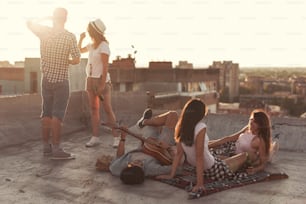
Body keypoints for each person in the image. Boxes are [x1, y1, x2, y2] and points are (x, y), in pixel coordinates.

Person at [157, 98, 252, 194]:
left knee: (221, 156)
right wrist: (200, 184)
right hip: (213, 169)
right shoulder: (200, 127)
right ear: (199, 114)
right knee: (245, 155)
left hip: (199, 167)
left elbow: (179, 154)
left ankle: (225, 159)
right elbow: (199, 156)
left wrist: (171, 175)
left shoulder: (181, 127)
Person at [27, 8, 81, 160]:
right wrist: (68, 60)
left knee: (46, 113)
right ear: (66, 19)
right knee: (57, 114)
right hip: (61, 80)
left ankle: (46, 147)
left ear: (53, 17)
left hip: (46, 80)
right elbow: (77, 59)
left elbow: (29, 23)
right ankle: (57, 150)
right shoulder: (69, 36)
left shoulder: (44, 31)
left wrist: (44, 16)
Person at [100, 109, 182, 184]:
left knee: (154, 125)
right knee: (172, 115)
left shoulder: (115, 169)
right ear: (142, 172)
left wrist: (123, 138)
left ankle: (143, 122)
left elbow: (119, 157)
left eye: (131, 165)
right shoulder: (151, 169)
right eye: (140, 165)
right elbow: (177, 168)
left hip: (146, 144)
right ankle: (144, 122)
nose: (136, 162)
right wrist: (169, 148)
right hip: (161, 148)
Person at [78, 19, 120, 148]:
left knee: (107, 109)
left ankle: (116, 137)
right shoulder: (92, 45)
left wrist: (102, 85)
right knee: (94, 109)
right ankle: (95, 137)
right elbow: (80, 50)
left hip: (101, 80)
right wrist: (80, 39)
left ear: (95, 31)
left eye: (90, 30)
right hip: (90, 79)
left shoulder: (104, 46)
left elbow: (105, 66)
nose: (88, 32)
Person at [208, 109, 278, 174]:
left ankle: (272, 149)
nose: (251, 123)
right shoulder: (247, 129)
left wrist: (254, 170)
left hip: (237, 158)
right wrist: (209, 145)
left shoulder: (259, 140)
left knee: (213, 159)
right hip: (230, 148)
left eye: (255, 122)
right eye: (251, 120)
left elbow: (263, 163)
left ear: (261, 124)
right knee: (208, 145)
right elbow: (229, 138)